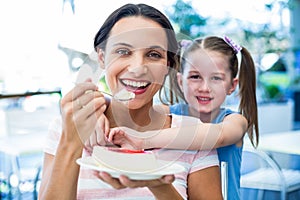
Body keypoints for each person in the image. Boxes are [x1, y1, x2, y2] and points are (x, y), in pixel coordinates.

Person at [38, 3, 223, 200]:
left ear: (167, 65)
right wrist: (72, 139)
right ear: (102, 58)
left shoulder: (193, 136)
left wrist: (159, 185)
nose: (137, 68)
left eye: (153, 55)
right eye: (123, 51)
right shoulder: (64, 129)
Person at [107, 36, 259, 200]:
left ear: (232, 86)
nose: (205, 88)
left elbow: (215, 136)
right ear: (180, 80)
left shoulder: (235, 122)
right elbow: (129, 110)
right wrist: (99, 105)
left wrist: (144, 140)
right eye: (195, 77)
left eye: (216, 78)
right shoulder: (171, 113)